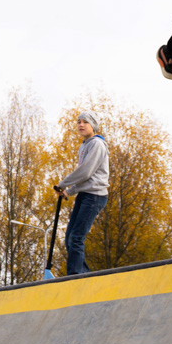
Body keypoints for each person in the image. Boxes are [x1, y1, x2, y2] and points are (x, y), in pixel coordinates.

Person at [55, 111, 110, 276]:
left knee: (76, 237)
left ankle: (75, 276)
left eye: (85, 122)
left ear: (93, 125)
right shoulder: (84, 145)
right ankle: (83, 274)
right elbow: (85, 176)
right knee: (69, 237)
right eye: (79, 122)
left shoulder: (97, 144)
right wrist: (69, 192)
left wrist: (63, 184)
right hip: (85, 195)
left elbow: (85, 172)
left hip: (95, 196)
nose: (81, 125)